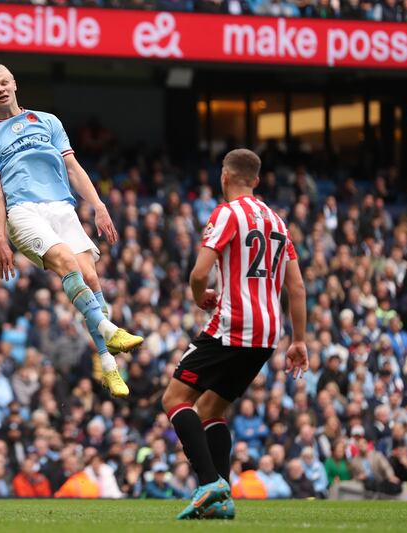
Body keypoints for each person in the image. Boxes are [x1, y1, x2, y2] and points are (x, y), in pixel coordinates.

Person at [0, 64, 142, 398]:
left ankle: (108, 367)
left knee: (92, 280)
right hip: (24, 211)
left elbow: (72, 167)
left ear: (15, 83)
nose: (1, 89)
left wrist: (98, 205)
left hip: (62, 207)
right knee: (66, 261)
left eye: (5, 82)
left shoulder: (48, 121)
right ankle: (108, 329)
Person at [161, 149, 308, 520]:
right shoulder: (278, 222)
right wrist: (300, 340)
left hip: (233, 323)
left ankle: (209, 482)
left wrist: (199, 297)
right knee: (210, 408)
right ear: (257, 180)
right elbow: (298, 288)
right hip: (268, 333)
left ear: (224, 176)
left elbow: (198, 274)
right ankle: (222, 500)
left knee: (175, 399)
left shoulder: (227, 213)